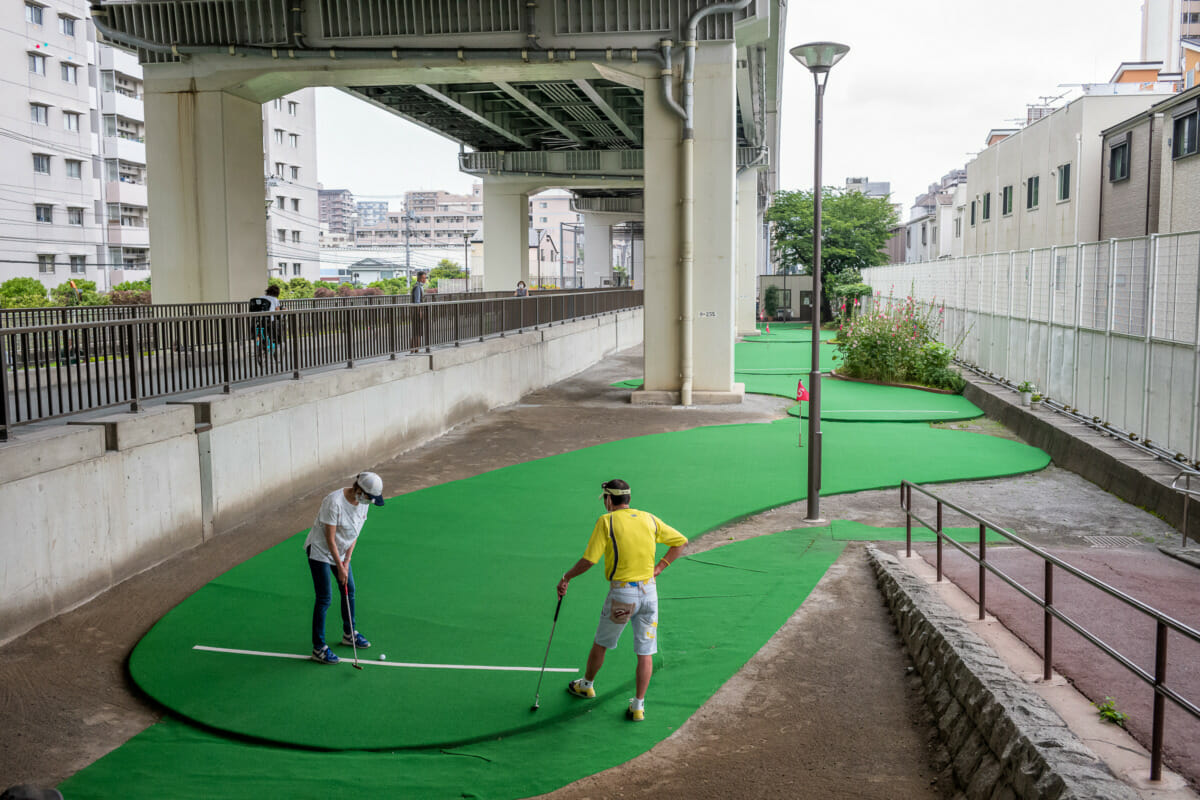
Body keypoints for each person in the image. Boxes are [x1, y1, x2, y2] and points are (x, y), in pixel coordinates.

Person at [557, 479, 688, 721]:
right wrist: (660, 567)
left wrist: (567, 577)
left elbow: (589, 560)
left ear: (608, 499)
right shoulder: (649, 518)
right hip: (649, 594)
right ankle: (638, 705)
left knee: (602, 643)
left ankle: (586, 685)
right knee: (645, 652)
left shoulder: (606, 522)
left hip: (622, 596)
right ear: (627, 498)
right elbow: (680, 542)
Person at [303, 471, 385, 664]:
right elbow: (330, 539)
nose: (370, 501)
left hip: (341, 553)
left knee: (349, 590)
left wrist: (346, 562)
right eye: (369, 497)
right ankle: (319, 648)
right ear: (359, 490)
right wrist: (339, 567)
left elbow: (354, 534)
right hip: (321, 551)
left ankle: (349, 633)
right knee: (325, 598)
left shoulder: (364, 504)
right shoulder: (334, 502)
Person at [249, 285, 284, 357]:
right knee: (277, 325)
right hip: (269, 321)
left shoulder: (261, 297)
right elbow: (277, 312)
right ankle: (276, 341)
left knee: (264, 328)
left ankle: (260, 341)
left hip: (258, 320)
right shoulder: (275, 299)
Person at [410, 271, 428, 352]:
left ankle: (415, 348)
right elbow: (417, 301)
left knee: (417, 331)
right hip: (417, 312)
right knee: (417, 331)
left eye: (425, 278)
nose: (424, 280)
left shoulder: (419, 286)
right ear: (419, 278)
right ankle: (414, 348)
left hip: (417, 311)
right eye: (423, 278)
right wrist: (419, 312)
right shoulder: (417, 287)